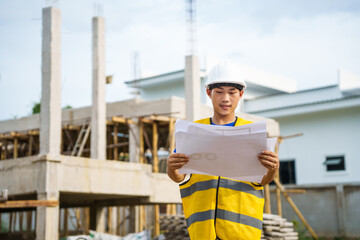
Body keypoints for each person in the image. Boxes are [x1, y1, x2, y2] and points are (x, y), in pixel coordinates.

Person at [166, 62, 279, 240]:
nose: (225, 98)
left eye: (232, 92)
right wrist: (171, 168)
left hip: (242, 233)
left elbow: (262, 180)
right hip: (204, 233)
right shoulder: (193, 131)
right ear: (208, 93)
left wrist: (272, 169)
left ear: (241, 94)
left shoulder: (254, 133)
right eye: (219, 92)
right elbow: (180, 177)